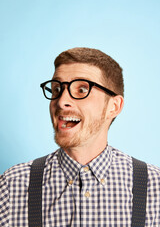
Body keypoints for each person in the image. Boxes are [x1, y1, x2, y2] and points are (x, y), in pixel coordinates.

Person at [0, 47, 160, 226]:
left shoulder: (154, 187)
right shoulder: (11, 186)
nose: (61, 101)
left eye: (82, 90)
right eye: (57, 89)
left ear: (113, 106)